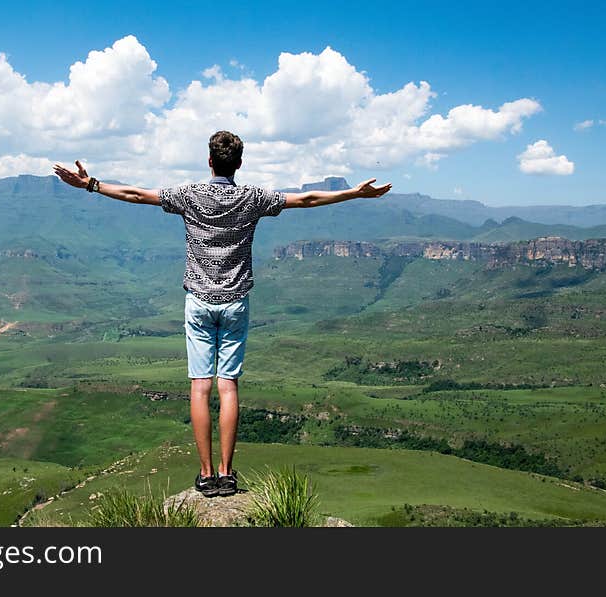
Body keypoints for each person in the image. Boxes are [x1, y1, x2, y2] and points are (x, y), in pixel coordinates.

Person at [53, 131, 391, 497]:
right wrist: (355, 193)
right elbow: (307, 198)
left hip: (198, 301)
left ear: (210, 161)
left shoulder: (189, 195)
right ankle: (228, 474)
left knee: (200, 386)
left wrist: (91, 184)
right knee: (227, 385)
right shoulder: (253, 198)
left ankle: (205, 474)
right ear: (239, 164)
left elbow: (136, 195)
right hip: (235, 303)